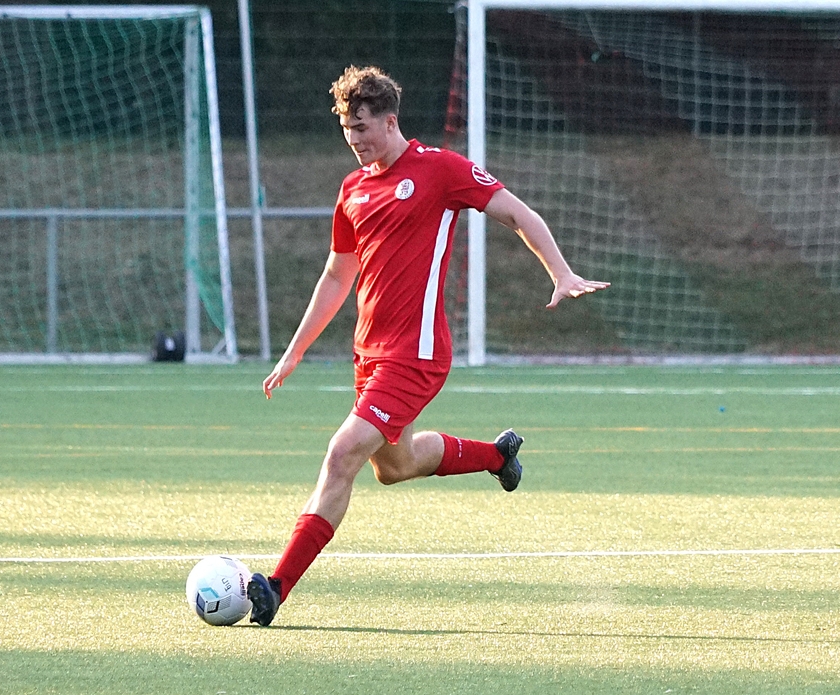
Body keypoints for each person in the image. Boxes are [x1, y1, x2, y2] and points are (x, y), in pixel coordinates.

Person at [246, 66, 609, 626]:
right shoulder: (353, 188)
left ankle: (275, 587)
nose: (354, 140)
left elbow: (517, 213)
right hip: (369, 355)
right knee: (394, 466)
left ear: (390, 121)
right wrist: (295, 350)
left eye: (362, 128)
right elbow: (337, 275)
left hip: (415, 354)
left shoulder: (439, 169)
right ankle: (497, 456)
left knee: (342, 453)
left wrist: (560, 273)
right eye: (346, 130)